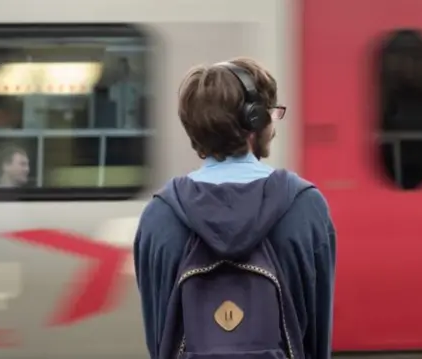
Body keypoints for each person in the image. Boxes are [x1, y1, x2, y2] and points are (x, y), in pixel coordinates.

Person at [134, 57, 336, 359]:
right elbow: (317, 336)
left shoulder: (160, 216)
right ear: (255, 121)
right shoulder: (305, 207)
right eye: (271, 114)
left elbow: (158, 334)